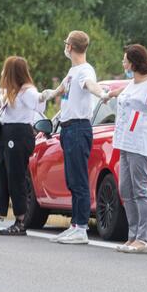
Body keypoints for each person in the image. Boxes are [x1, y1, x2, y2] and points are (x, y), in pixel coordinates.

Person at [43, 31, 109, 244]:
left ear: (70, 46)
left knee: (79, 179)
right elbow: (62, 89)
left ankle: (81, 227)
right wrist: (49, 94)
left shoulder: (85, 70)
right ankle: (74, 225)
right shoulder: (73, 71)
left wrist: (102, 94)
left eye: (66, 44)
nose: (65, 47)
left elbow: (91, 84)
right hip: (68, 129)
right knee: (72, 179)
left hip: (79, 129)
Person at [0, 57, 43, 236]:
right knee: (1, 177)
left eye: (5, 70)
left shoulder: (27, 91)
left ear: (13, 72)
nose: (2, 73)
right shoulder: (12, 91)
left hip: (18, 134)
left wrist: (45, 94)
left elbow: (39, 102)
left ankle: (20, 220)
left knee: (15, 177)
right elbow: (1, 107)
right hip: (7, 133)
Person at [106, 45, 147, 254]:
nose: (123, 64)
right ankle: (132, 236)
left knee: (140, 189)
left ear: (133, 62)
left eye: (125, 60)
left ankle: (144, 239)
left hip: (140, 144)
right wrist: (110, 94)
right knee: (126, 190)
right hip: (124, 142)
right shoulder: (133, 82)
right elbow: (124, 92)